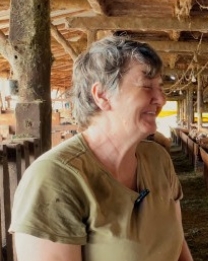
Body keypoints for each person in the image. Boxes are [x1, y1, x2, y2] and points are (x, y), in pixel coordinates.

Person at [9, 36, 193, 261]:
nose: (160, 99)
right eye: (147, 86)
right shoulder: (54, 179)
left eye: (160, 87)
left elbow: (178, 242)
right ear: (102, 95)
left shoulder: (158, 160)